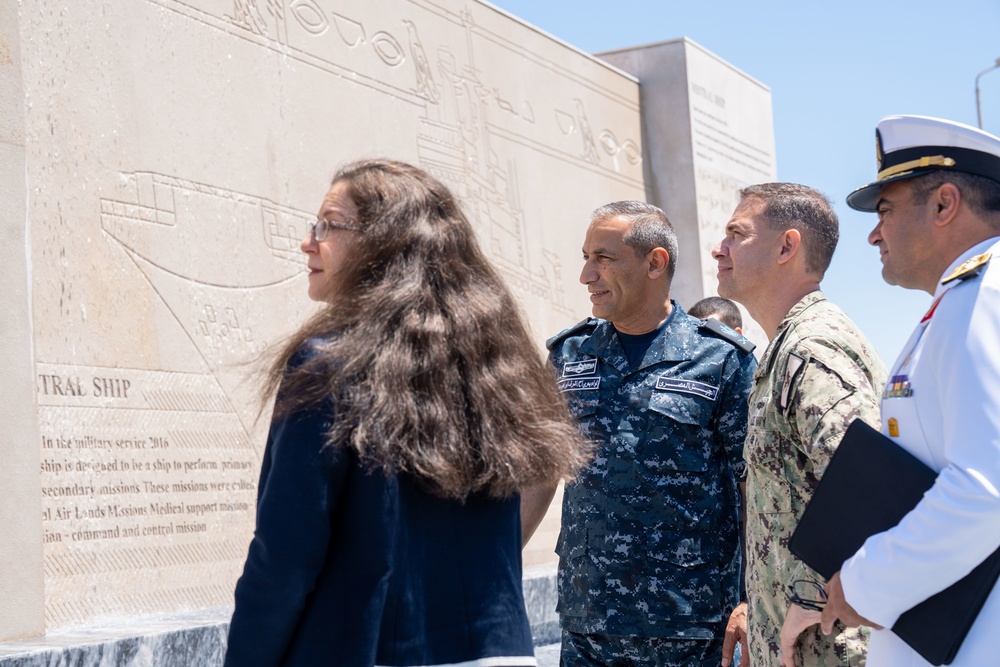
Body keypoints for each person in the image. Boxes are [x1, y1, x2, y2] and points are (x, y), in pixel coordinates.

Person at [224, 159, 591, 667]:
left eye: (329, 224)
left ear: (384, 241)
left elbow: (285, 555)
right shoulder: (496, 368)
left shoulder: (330, 364)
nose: (309, 241)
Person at [522, 200, 758, 666]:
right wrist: (495, 562)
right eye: (585, 258)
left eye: (603, 259)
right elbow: (540, 471)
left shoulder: (722, 359)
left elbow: (754, 487)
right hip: (589, 622)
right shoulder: (570, 354)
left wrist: (751, 599)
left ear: (655, 262)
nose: (587, 275)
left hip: (691, 626)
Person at [803, 115, 1000, 666]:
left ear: (943, 204)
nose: (873, 232)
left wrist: (864, 584)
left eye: (885, 210)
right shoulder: (962, 299)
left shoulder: (981, 296)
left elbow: (987, 488)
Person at [711, 183, 886, 667]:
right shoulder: (786, 349)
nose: (718, 247)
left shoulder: (812, 350)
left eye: (736, 234)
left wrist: (809, 598)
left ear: (787, 246)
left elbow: (867, 478)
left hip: (828, 648)